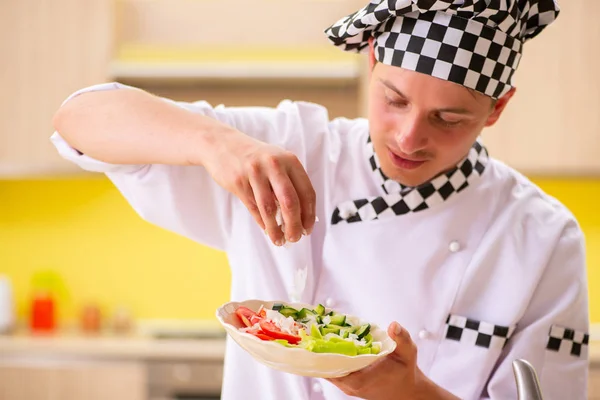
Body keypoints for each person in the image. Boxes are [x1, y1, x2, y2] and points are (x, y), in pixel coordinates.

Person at [50, 0, 590, 398]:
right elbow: (80, 118)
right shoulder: (293, 146)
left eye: (448, 119)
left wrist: (408, 391)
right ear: (374, 59)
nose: (408, 137)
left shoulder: (543, 238)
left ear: (496, 109)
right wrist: (216, 144)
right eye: (394, 99)